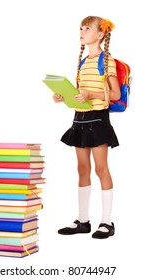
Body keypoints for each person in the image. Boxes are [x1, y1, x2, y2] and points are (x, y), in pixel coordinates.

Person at [53, 16, 120, 239]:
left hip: (98, 119)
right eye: (80, 28)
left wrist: (91, 94)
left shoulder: (107, 60)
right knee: (82, 169)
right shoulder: (82, 61)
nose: (81, 32)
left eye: (87, 28)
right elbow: (80, 95)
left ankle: (107, 222)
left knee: (101, 169)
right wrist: (64, 96)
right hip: (80, 119)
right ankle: (83, 221)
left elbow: (115, 94)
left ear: (100, 34)